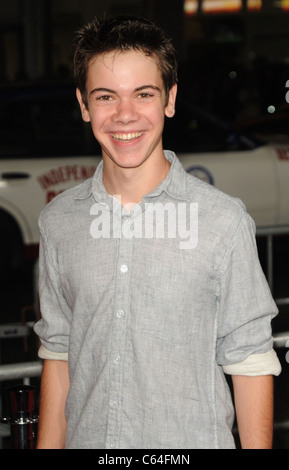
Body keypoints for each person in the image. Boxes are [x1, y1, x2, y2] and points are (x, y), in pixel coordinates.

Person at [34, 16, 281, 449]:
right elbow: (59, 355)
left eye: (143, 94)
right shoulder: (58, 223)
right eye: (106, 96)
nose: (124, 115)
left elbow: (250, 360)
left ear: (169, 99)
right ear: (83, 105)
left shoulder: (223, 222)